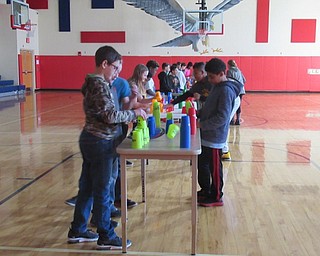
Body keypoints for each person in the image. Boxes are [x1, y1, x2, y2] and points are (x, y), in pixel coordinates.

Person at [67, 45, 147, 250]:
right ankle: (105, 234)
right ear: (104, 64)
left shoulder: (94, 83)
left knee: (87, 188)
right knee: (102, 189)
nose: (118, 73)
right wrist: (134, 114)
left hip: (92, 139)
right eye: (116, 68)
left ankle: (78, 229)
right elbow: (110, 116)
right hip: (100, 142)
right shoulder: (99, 85)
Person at [197, 58, 241, 207]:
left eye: (211, 76)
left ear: (222, 73)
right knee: (203, 164)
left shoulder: (226, 90)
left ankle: (216, 196)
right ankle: (206, 189)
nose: (209, 79)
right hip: (207, 134)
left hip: (215, 137)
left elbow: (222, 117)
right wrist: (199, 112)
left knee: (214, 168)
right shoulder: (217, 86)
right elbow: (210, 106)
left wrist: (202, 124)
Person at [227, 59, 246, 125]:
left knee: (232, 104)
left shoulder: (229, 71)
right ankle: (238, 120)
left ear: (229, 65)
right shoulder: (239, 70)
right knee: (238, 105)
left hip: (234, 89)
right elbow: (244, 80)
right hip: (241, 89)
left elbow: (228, 80)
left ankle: (232, 119)